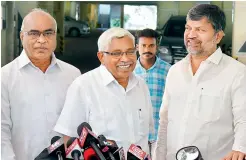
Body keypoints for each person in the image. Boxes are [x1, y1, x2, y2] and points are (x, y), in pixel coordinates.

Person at [154, 4, 246, 160]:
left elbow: (243, 119)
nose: (191, 35)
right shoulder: (175, 72)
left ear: (218, 36)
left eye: (200, 30)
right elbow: (165, 122)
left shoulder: (236, 73)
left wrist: (240, 148)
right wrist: (158, 156)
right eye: (188, 28)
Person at [54, 27, 154, 154]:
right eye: (117, 53)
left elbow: (147, 137)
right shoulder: (83, 86)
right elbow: (70, 139)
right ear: (101, 56)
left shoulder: (141, 86)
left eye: (130, 52)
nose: (125, 59)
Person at [1, 8, 81, 160]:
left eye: (48, 33)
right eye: (34, 33)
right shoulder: (4, 78)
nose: (42, 40)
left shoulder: (73, 75)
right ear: (21, 36)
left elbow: (80, 122)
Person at [134, 28, 171, 157]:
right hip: (135, 134)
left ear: (157, 47)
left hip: (159, 134)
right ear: (137, 47)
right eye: (143, 45)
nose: (147, 49)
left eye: (151, 45)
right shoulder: (129, 71)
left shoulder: (168, 70)